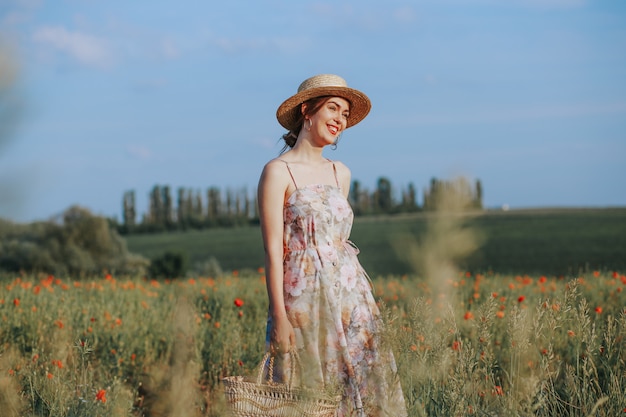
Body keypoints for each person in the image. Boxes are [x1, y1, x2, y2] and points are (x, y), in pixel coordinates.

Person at [257, 74, 407, 417]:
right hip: (303, 302)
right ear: (307, 111)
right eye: (333, 108)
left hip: (352, 300)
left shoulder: (342, 173)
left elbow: (335, 243)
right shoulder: (277, 172)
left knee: (362, 386)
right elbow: (272, 251)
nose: (340, 119)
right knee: (309, 393)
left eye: (345, 113)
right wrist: (279, 315)